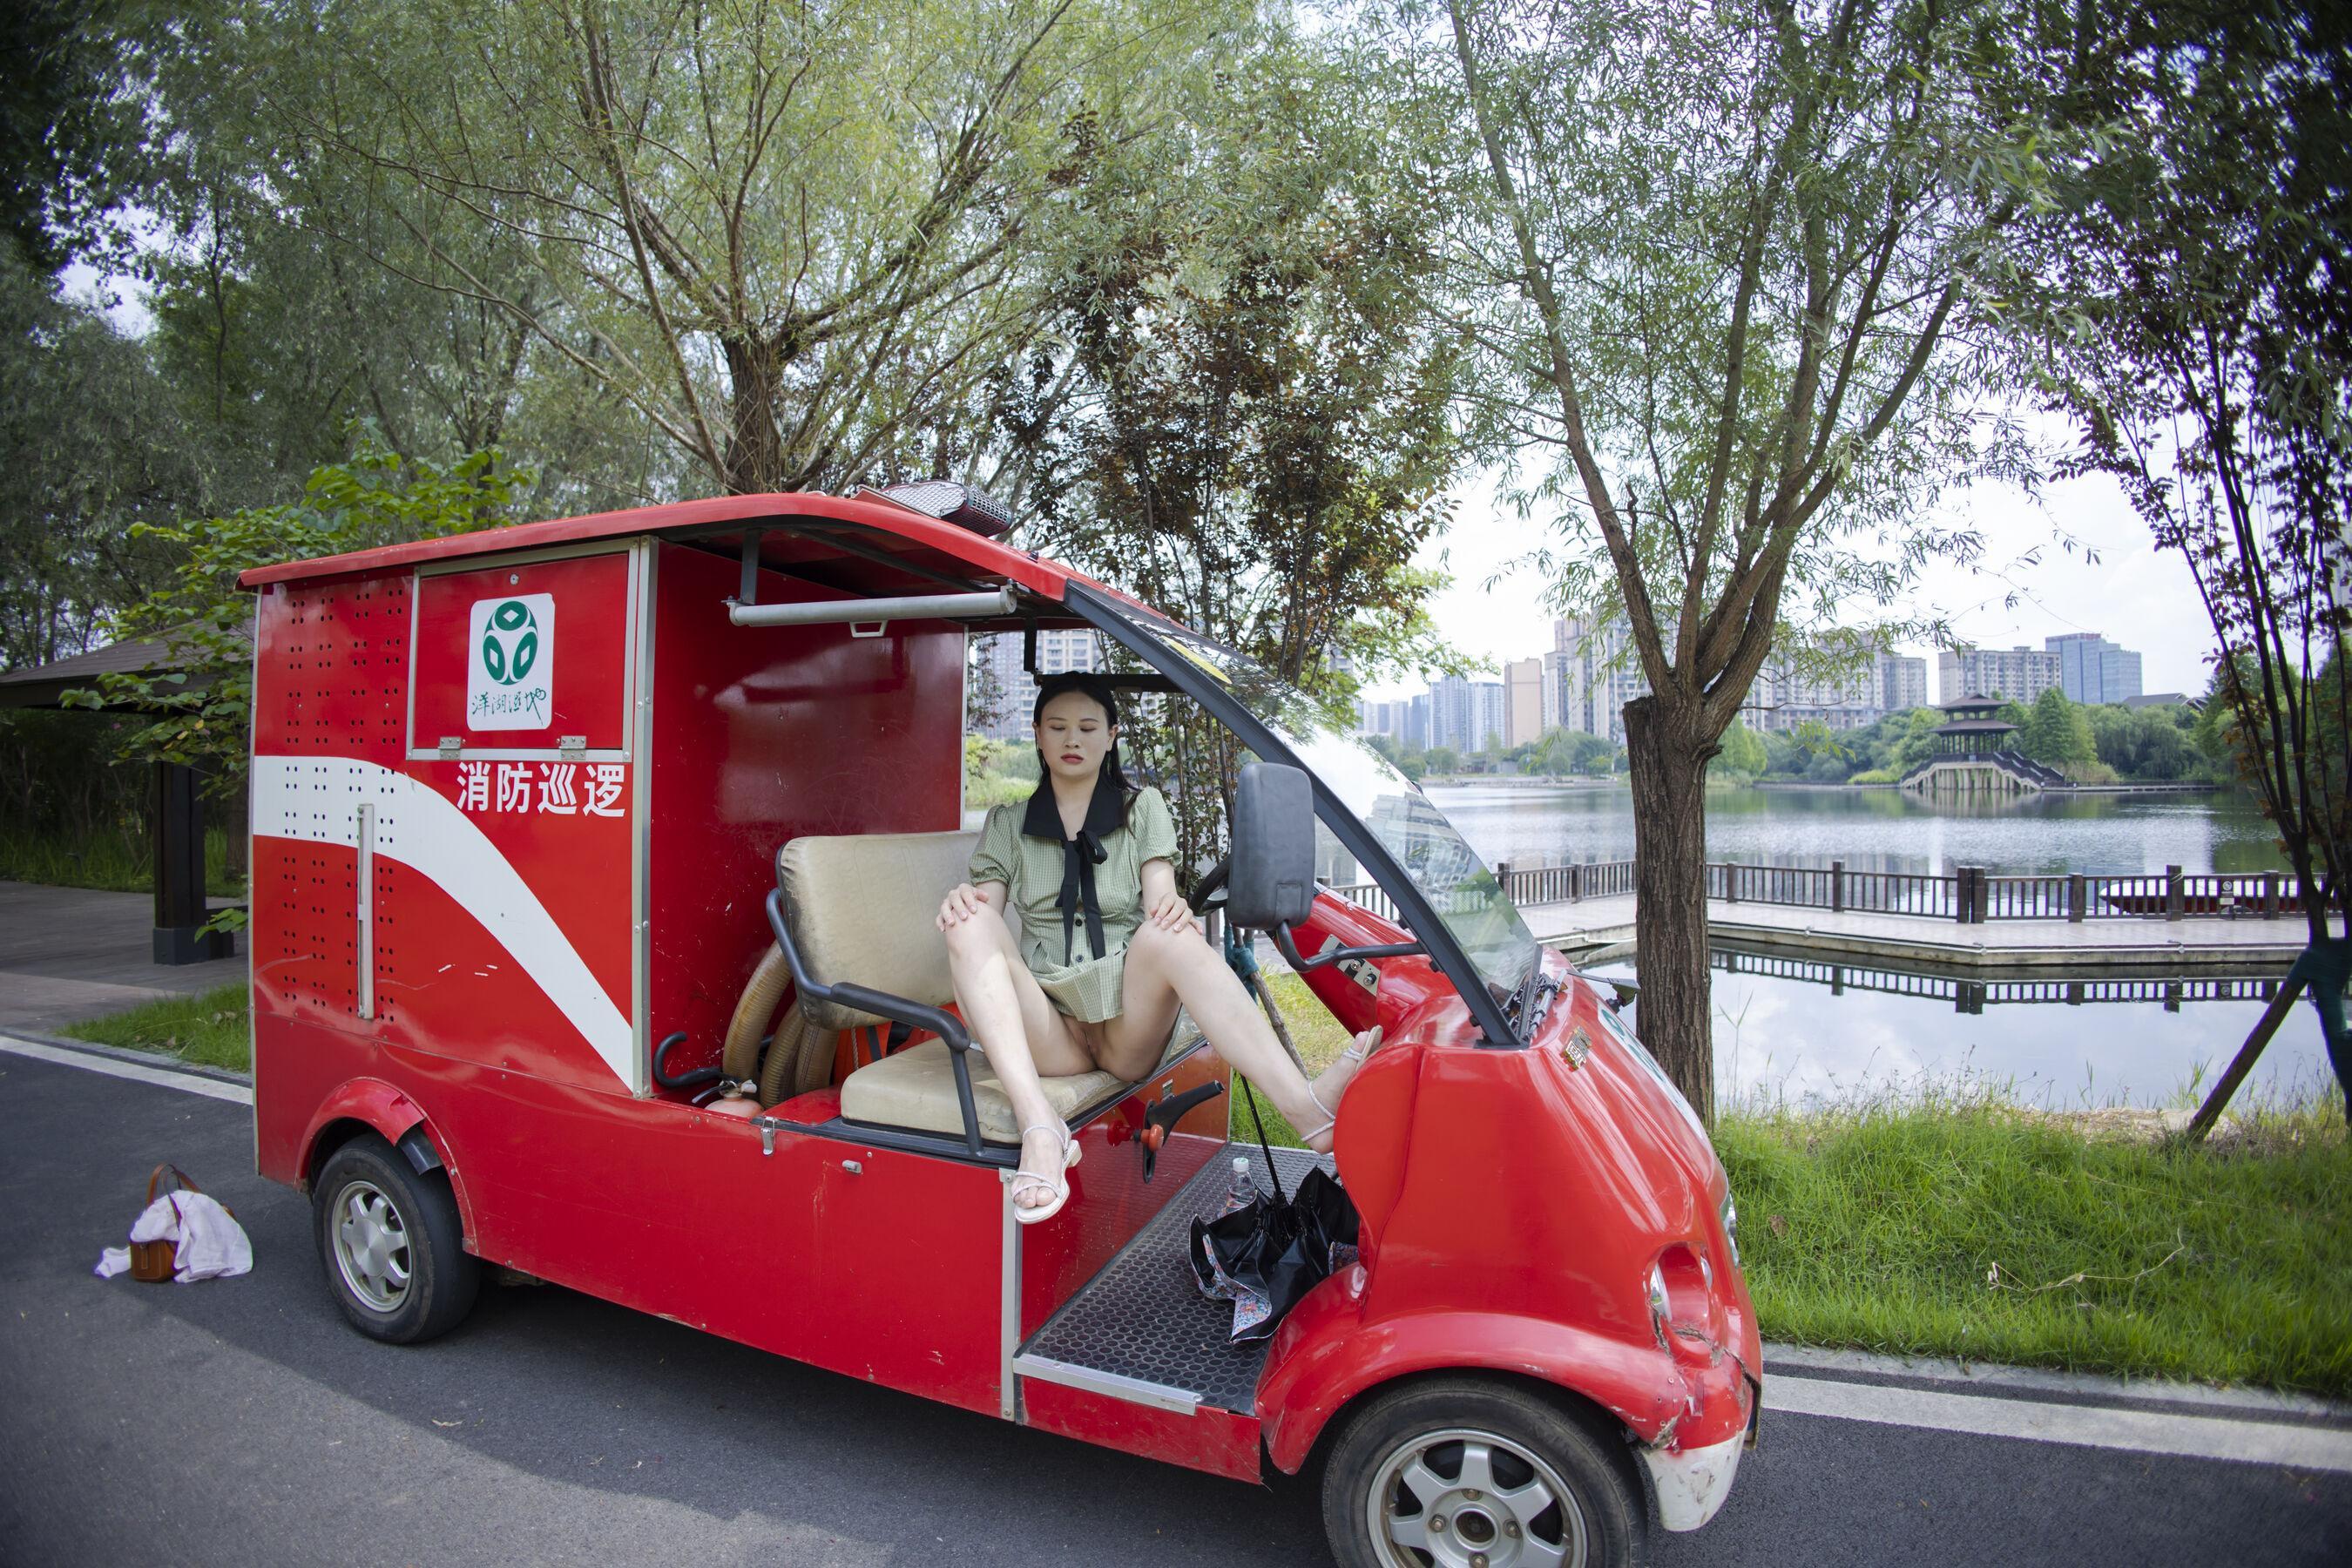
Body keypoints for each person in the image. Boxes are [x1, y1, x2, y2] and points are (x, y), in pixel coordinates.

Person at [938, 672, 1382, 1224]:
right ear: (1037, 735)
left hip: (1127, 1027)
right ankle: (1041, 1127)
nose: (1072, 739)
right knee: (968, 921)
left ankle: (1306, 1110)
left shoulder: (1141, 808)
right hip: (1050, 1030)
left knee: (1168, 931)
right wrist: (966, 902)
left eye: (1087, 728)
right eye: (1057, 727)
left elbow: (1160, 899)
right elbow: (987, 906)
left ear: (1111, 737)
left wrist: (1173, 909)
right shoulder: (1009, 824)